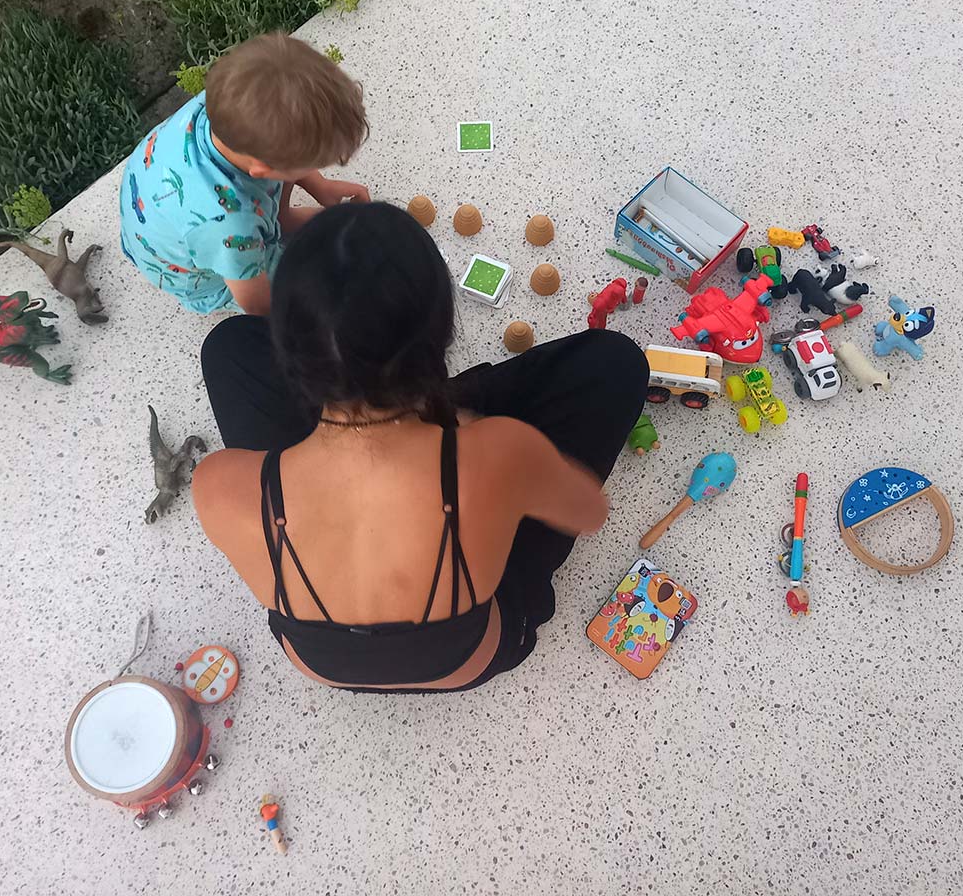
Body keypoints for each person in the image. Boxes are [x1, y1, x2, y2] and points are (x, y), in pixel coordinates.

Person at [193, 202, 648, 692]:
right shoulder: (498, 454)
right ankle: (412, 406)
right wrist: (474, 435)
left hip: (318, 661)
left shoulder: (218, 484)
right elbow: (589, 513)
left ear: (289, 348)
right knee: (616, 362)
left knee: (229, 346)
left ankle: (371, 397)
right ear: (441, 334)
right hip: (472, 652)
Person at [118, 32, 370, 317]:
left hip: (160, 206)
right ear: (262, 170)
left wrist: (318, 185)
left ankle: (280, 219)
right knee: (318, 287)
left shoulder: (231, 106)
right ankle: (276, 231)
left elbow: (283, 149)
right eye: (315, 164)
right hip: (197, 274)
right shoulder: (229, 225)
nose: (319, 169)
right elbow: (258, 304)